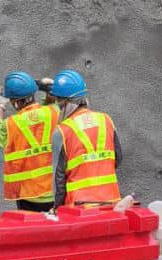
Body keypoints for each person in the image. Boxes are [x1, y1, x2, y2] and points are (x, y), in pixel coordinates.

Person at [47, 68, 123, 209]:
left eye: (58, 100)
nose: (57, 104)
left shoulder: (61, 132)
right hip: (111, 203)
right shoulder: (106, 120)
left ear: (66, 102)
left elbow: (59, 181)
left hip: (79, 209)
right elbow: (118, 158)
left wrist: (57, 208)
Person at [0, 71, 60, 211]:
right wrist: (44, 87)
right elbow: (54, 101)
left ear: (16, 102)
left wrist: (0, 106)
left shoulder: (10, 123)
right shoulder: (53, 112)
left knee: (33, 232)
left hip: (28, 195)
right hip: (54, 191)